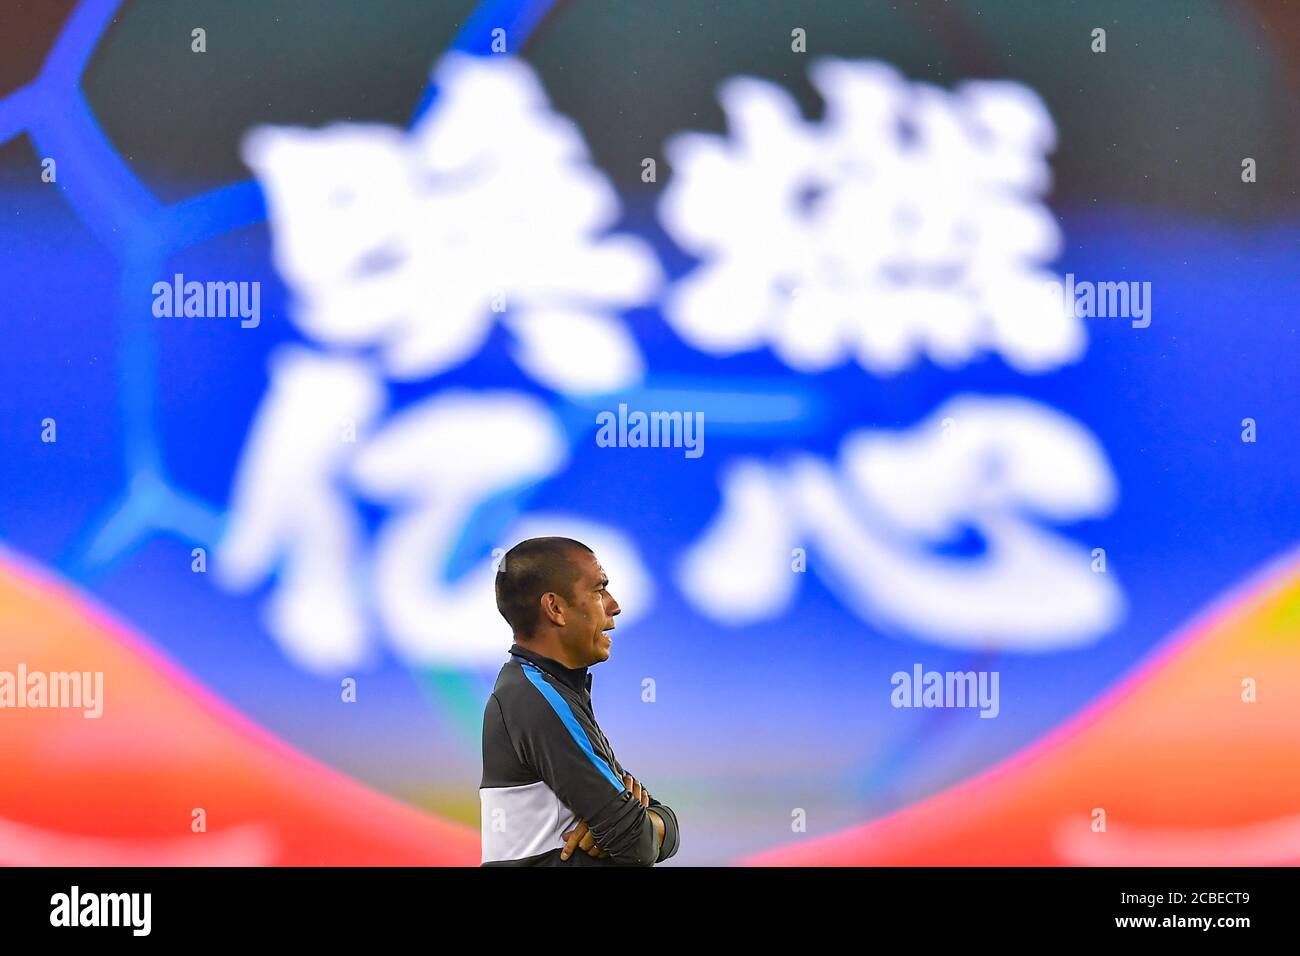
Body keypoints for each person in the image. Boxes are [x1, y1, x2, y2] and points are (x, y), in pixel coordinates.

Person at [479, 536, 681, 866]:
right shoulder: (537, 699)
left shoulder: (549, 690)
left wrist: (639, 823)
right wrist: (633, 826)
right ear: (556, 608)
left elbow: (650, 824)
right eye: (599, 590)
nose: (614, 606)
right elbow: (638, 844)